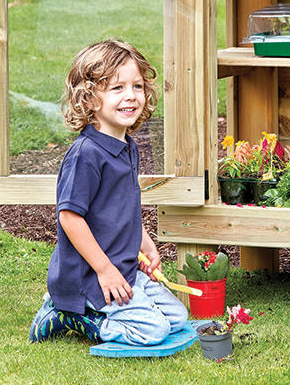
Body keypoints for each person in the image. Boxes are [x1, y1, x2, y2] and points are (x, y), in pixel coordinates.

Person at [29, 41, 188, 345]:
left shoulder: (127, 146)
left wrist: (145, 243)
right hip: (90, 277)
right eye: (117, 88)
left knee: (178, 319)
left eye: (137, 86)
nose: (131, 95)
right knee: (154, 331)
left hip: (123, 268)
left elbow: (124, 206)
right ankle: (70, 314)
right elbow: (69, 218)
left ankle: (107, 302)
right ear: (89, 98)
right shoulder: (86, 155)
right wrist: (104, 271)